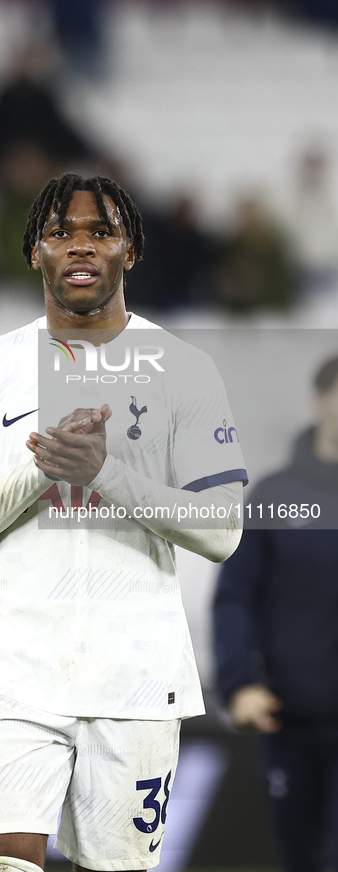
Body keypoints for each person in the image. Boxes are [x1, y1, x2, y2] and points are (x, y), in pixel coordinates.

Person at [0, 173, 248, 872]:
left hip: (134, 675)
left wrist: (104, 471)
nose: (79, 245)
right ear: (34, 252)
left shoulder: (184, 370)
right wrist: (41, 469)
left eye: (99, 230)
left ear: (128, 250)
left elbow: (222, 528)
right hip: (14, 668)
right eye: (59, 232)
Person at [213, 355, 338, 872]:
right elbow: (235, 597)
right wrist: (239, 683)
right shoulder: (275, 497)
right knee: (302, 859)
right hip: (288, 721)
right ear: (320, 400)